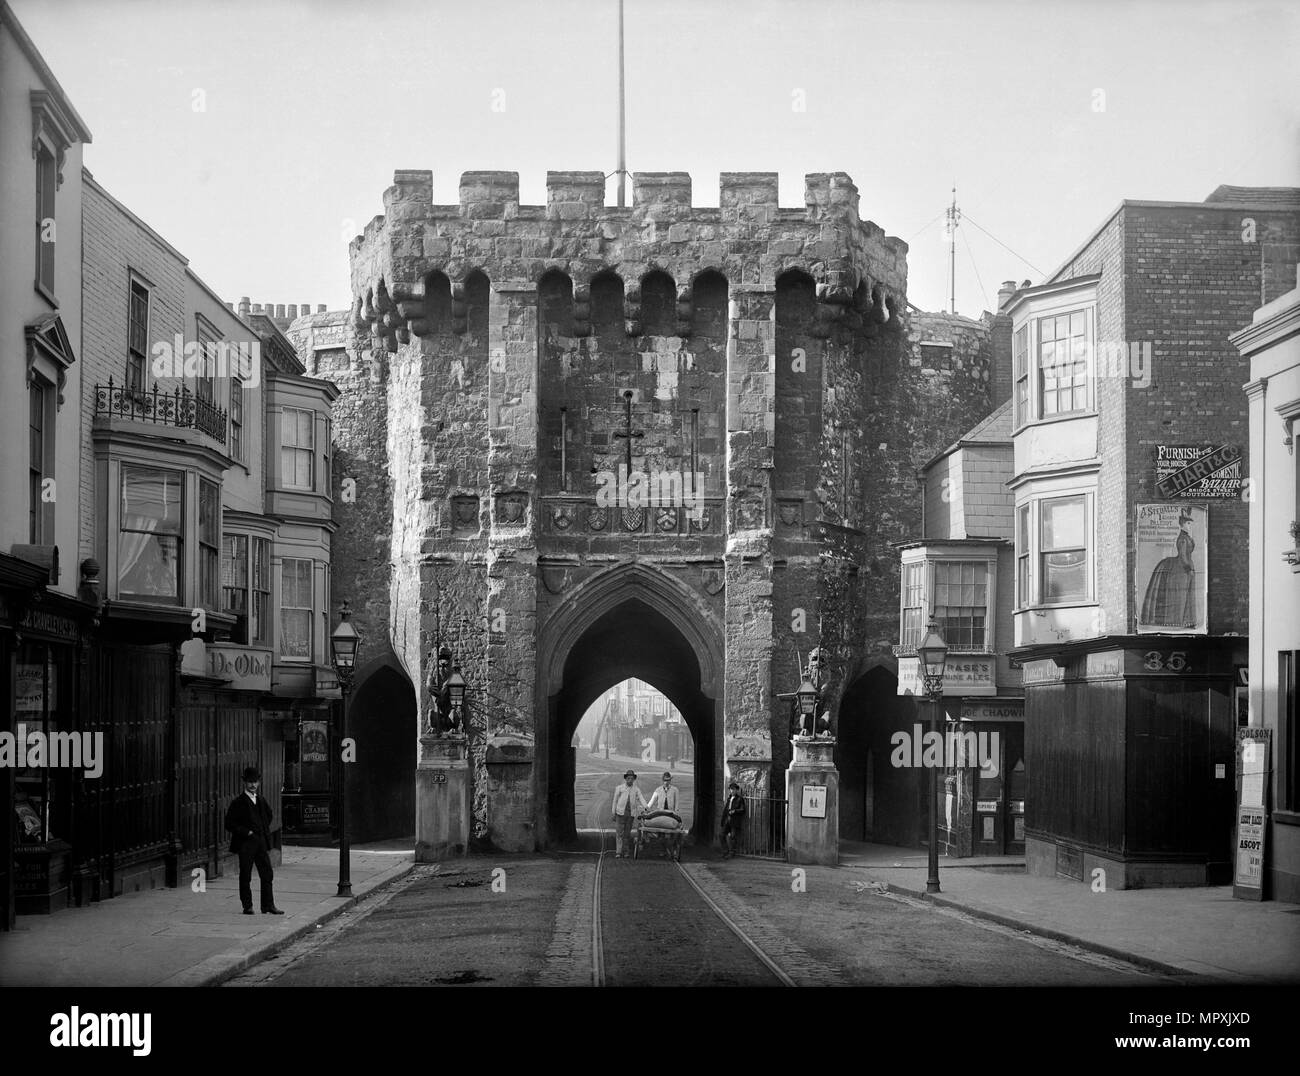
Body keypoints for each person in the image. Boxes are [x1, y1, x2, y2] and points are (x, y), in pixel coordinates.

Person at [224, 767, 283, 915]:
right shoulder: (238, 802)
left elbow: (269, 815)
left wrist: (262, 830)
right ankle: (247, 906)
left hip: (261, 842)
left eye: (255, 782)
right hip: (246, 843)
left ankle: (268, 905)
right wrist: (246, 832)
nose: (253, 785)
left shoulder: (261, 800)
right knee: (246, 874)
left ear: (259, 783)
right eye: (250, 782)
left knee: (267, 873)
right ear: (245, 782)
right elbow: (229, 823)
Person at [1140, 510, 1198, 628]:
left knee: (1186, 594)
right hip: (1181, 568)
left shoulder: (1186, 537)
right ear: (1182, 525)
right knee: (1180, 594)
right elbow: (1182, 556)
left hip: (1186, 567)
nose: (1190, 526)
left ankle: (1185, 620)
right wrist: (1188, 568)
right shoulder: (1182, 538)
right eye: (1188, 524)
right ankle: (1178, 621)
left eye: (1190, 524)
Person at [610, 769, 647, 858]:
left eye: (632, 779)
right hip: (620, 813)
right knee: (619, 833)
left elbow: (641, 798)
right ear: (625, 779)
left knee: (627, 834)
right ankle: (618, 852)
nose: (630, 780)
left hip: (630, 815)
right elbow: (615, 801)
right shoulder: (619, 788)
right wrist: (613, 812)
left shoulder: (636, 789)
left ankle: (626, 852)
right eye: (628, 778)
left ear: (634, 779)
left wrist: (646, 807)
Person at [425, 647, 454, 734]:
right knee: (432, 714)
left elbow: (451, 680)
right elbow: (429, 683)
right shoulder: (433, 670)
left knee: (452, 715)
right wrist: (431, 687)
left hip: (447, 703)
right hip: (437, 702)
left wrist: (444, 688)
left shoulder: (450, 670)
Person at [720, 780, 746, 858]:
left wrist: (735, 811)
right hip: (727, 820)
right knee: (721, 835)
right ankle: (725, 851)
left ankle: (732, 853)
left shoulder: (740, 799)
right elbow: (725, 810)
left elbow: (743, 809)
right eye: (731, 789)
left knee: (733, 837)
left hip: (735, 820)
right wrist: (722, 820)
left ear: (736, 790)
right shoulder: (729, 798)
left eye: (734, 789)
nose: (732, 790)